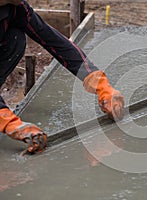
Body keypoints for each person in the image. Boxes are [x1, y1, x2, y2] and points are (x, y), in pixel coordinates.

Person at [0, 0, 124, 154]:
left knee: (15, 38)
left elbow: (54, 41)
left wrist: (100, 83)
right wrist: (8, 121)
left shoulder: (14, 8)